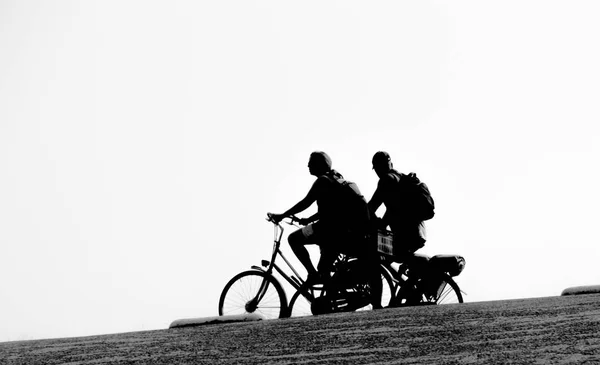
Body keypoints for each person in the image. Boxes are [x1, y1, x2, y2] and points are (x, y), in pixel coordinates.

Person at [271, 151, 382, 308]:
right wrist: (308, 220)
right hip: (346, 231)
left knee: (293, 239)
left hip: (330, 231)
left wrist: (282, 215)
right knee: (325, 265)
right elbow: (332, 209)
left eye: (311, 162)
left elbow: (306, 202)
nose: (308, 165)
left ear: (319, 165)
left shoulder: (322, 181)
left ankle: (312, 274)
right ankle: (327, 289)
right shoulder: (338, 179)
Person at [368, 151, 427, 257]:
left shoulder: (386, 180)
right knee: (388, 255)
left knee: (372, 250)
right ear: (391, 164)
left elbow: (372, 207)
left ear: (377, 168)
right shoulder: (402, 178)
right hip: (418, 233)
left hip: (405, 236)